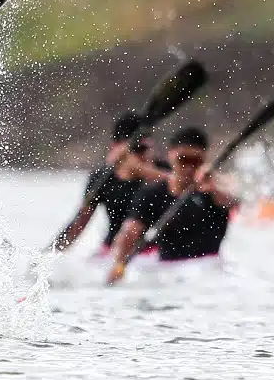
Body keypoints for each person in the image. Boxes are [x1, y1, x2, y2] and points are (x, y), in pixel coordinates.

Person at [106, 126, 241, 285]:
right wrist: (119, 265)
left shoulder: (215, 189)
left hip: (209, 269)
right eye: (183, 160)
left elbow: (236, 204)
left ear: (204, 160)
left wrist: (212, 189)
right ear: (171, 155)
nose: (189, 167)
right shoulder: (152, 193)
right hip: (167, 271)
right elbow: (129, 233)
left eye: (195, 161)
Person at [51, 111, 169, 255]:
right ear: (115, 148)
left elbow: (191, 186)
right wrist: (49, 256)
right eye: (136, 149)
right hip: (112, 250)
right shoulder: (102, 178)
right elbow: (79, 223)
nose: (143, 155)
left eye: (146, 148)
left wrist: (146, 172)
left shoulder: (164, 171)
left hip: (153, 251)